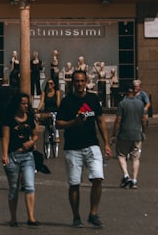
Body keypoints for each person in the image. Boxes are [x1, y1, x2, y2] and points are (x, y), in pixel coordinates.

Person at [58, 69, 111, 229]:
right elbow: (58, 123)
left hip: (92, 145)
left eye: (82, 81)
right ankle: (76, 217)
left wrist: (106, 143)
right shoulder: (67, 102)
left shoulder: (93, 99)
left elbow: (100, 121)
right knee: (74, 183)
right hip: (73, 148)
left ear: (86, 81)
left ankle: (93, 214)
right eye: (77, 81)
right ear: (72, 83)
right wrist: (73, 123)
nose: (80, 84)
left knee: (98, 178)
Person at [1, 92, 40, 227]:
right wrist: (5, 155)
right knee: (13, 188)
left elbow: (35, 135)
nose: (25, 106)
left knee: (29, 186)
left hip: (28, 156)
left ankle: (31, 217)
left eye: (26, 104)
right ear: (17, 104)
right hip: (13, 156)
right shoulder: (9, 118)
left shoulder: (29, 118)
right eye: (23, 103)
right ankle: (13, 218)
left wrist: (31, 142)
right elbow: (5, 138)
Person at [111, 85, 146, 189]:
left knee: (121, 155)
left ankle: (126, 175)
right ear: (134, 92)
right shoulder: (140, 104)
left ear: (125, 93)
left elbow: (118, 120)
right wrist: (143, 131)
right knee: (135, 158)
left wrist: (114, 134)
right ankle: (134, 180)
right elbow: (144, 119)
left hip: (124, 134)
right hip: (137, 134)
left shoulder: (122, 104)